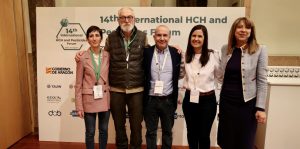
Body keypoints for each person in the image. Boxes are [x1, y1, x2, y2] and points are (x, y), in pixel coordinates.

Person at [217, 17, 268, 149]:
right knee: (227, 140)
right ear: (234, 30)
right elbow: (221, 74)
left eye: (247, 27)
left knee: (245, 141)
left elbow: (262, 81)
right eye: (239, 27)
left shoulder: (260, 50)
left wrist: (260, 108)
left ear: (251, 31)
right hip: (227, 103)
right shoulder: (225, 49)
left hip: (247, 105)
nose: (243, 30)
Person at [105, 7, 148, 149]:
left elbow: (153, 54)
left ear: (134, 19)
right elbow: (102, 57)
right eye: (123, 17)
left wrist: (173, 48)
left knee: (136, 125)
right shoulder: (110, 37)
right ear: (118, 19)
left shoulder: (143, 36)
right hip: (116, 89)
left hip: (137, 89)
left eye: (129, 17)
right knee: (119, 125)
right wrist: (84, 53)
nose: (126, 20)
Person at [180, 24, 220, 149]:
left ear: (204, 39)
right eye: (194, 35)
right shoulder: (185, 55)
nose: (196, 39)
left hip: (207, 101)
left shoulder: (213, 56)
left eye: (199, 36)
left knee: (204, 135)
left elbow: (220, 76)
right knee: (191, 133)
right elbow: (181, 74)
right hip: (189, 99)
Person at [143, 25, 182, 149]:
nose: (162, 38)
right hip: (150, 100)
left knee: (167, 133)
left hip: (168, 100)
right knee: (151, 133)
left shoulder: (176, 53)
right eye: (159, 35)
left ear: (169, 37)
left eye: (165, 35)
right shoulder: (146, 52)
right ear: (154, 37)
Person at [75, 25, 110, 149]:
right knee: (90, 132)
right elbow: (78, 84)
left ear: (101, 38)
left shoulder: (108, 55)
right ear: (87, 39)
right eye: (91, 36)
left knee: (104, 130)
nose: (94, 38)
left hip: (104, 97)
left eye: (97, 35)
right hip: (89, 99)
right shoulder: (82, 57)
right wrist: (79, 106)